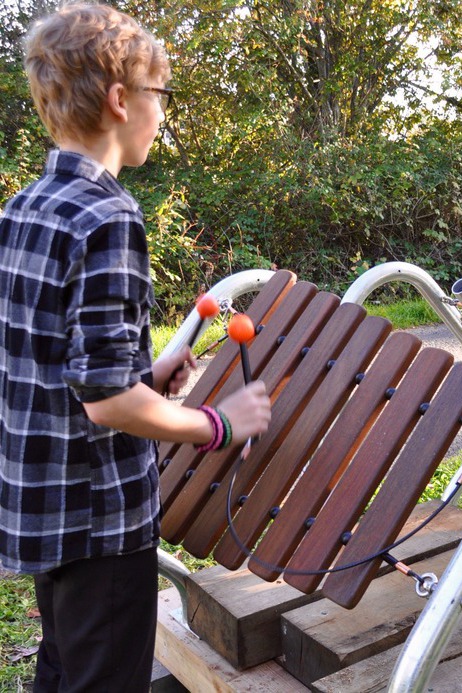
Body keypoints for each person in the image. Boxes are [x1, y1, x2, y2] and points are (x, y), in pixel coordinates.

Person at [0, 4, 272, 691]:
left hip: (41, 504)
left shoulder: (24, 208)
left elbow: (50, 362)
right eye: (161, 94)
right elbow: (108, 405)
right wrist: (218, 423)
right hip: (101, 519)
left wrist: (144, 373)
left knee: (62, 665)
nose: (163, 111)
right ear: (121, 100)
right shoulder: (108, 217)